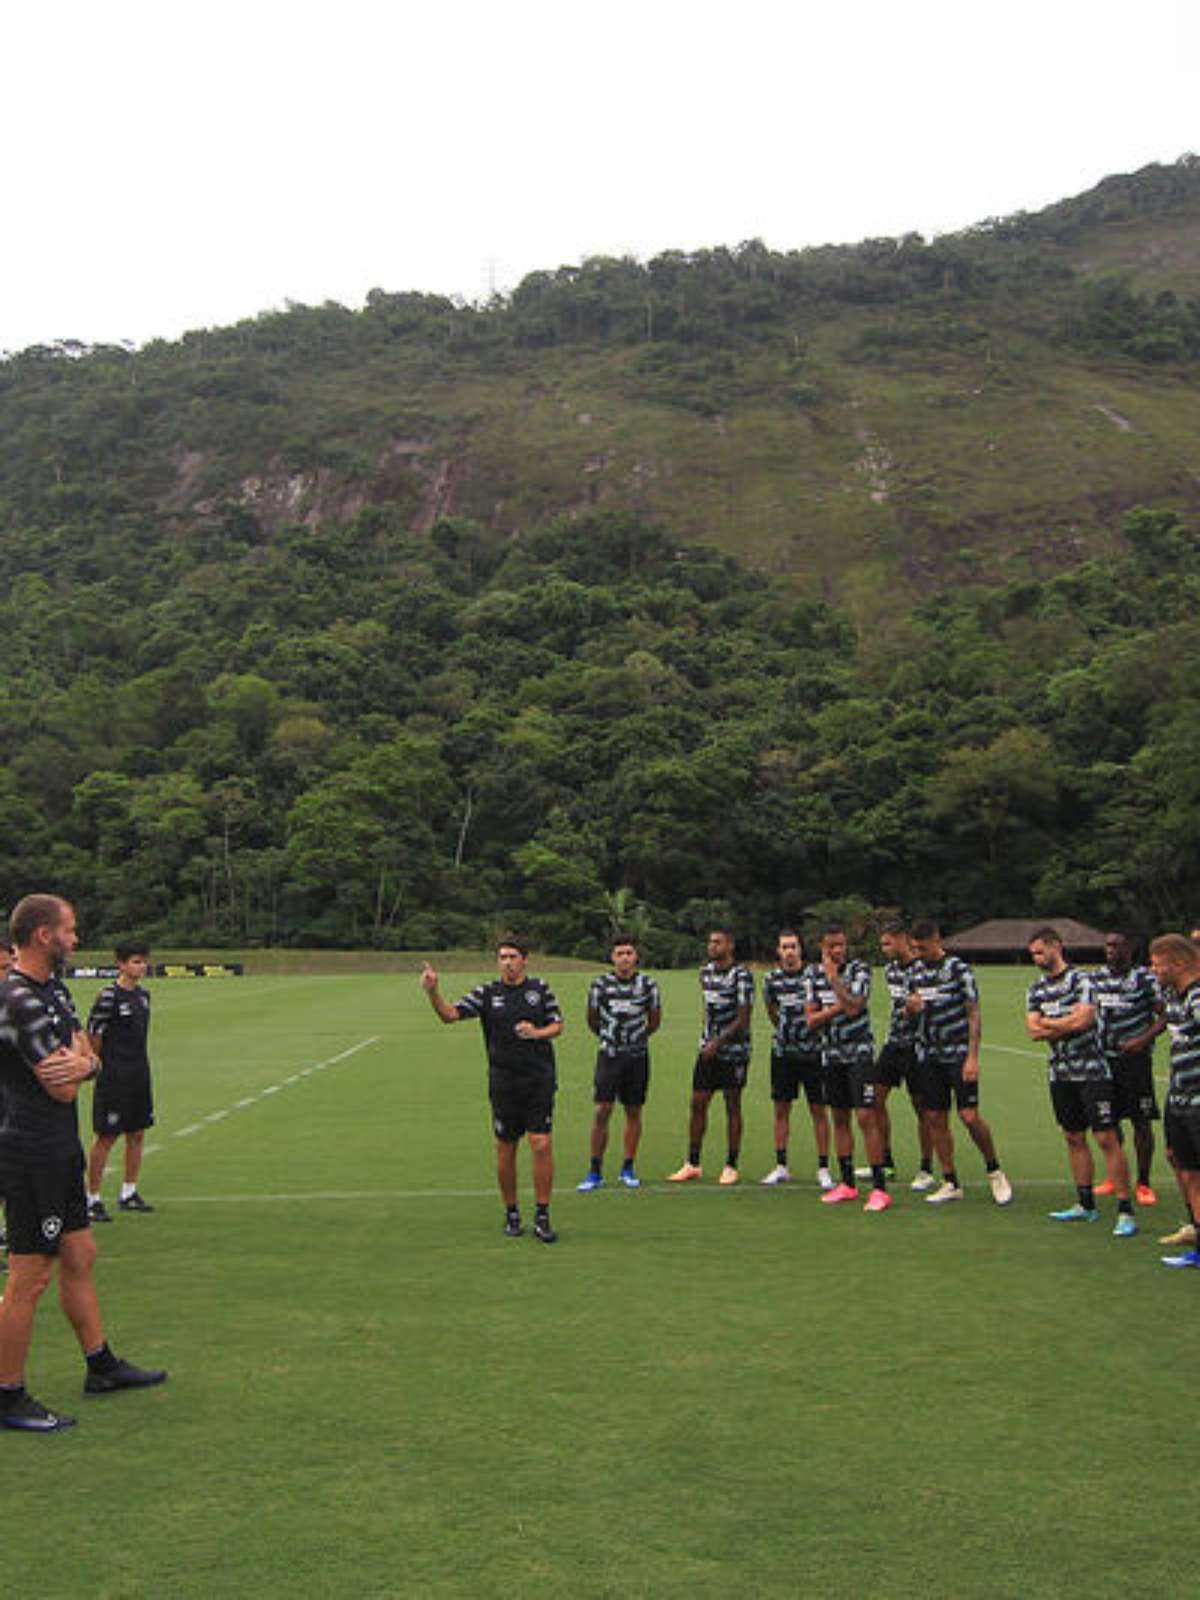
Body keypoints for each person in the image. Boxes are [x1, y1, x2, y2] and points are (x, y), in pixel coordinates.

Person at [0, 894, 167, 1434]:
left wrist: (84, 1064)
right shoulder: (17, 999)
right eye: (70, 930)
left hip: (59, 1147)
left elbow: (79, 1057)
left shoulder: (54, 989)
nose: (76, 938)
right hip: (31, 1152)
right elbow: (64, 1087)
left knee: (80, 1252)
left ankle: (101, 1366)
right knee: (29, 1275)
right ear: (44, 935)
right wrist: (83, 1067)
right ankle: (7, 1393)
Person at [421, 938, 562, 1243]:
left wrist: (536, 1033)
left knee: (541, 1144)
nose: (507, 962)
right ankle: (512, 1212)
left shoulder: (540, 989)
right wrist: (433, 992)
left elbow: (557, 1025)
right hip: (504, 1081)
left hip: (539, 1078)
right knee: (506, 1146)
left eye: (513, 956)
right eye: (502, 957)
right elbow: (450, 1015)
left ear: (525, 960)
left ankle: (542, 1213)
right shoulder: (487, 993)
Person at [1025, 927, 1136, 1236]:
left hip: (1092, 1071)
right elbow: (1033, 1030)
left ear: (1056, 947)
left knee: (1106, 1137)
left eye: (1040, 952)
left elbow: (1085, 1019)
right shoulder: (1035, 989)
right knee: (1074, 1137)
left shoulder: (1083, 981)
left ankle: (1125, 1209)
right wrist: (1063, 1024)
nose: (1036, 958)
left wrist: (1050, 1023)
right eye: (1032, 954)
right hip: (1059, 1073)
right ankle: (1085, 1204)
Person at [908, 919, 1012, 1207]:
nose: (919, 953)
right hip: (928, 1056)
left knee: (969, 1115)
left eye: (923, 947)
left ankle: (994, 1170)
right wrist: (910, 1008)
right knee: (935, 1118)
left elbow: (973, 1013)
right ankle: (951, 1181)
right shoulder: (915, 971)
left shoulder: (959, 970)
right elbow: (909, 1009)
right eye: (915, 948)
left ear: (937, 940)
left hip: (958, 1054)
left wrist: (973, 1057)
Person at [805, 925, 891, 1211]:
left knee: (866, 1116)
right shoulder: (811, 974)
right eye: (831, 946)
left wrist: (833, 982)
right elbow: (811, 1020)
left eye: (841, 945)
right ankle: (847, 1183)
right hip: (830, 1056)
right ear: (822, 946)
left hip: (859, 1053)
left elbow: (855, 1006)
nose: (837, 951)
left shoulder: (859, 970)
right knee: (839, 1118)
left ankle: (880, 1188)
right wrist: (836, 1007)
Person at [667, 927, 753, 1186]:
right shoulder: (705, 973)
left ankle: (731, 1164)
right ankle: (693, 1162)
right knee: (698, 1102)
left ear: (730, 945)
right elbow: (707, 1007)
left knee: (732, 1104)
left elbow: (743, 1017)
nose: (712, 946)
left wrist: (718, 1041)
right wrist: (706, 1036)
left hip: (734, 1051)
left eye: (718, 942)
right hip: (707, 1050)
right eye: (711, 942)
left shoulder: (741, 976)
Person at [577, 935, 661, 1192]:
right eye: (619, 953)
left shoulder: (648, 985)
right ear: (612, 958)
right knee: (602, 1110)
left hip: (637, 1057)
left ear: (636, 957)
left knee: (633, 1111)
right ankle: (594, 1171)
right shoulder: (600, 985)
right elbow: (592, 1019)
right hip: (609, 1056)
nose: (624, 958)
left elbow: (654, 1020)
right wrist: (609, 1038)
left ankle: (628, 1167)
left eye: (629, 953)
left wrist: (637, 1039)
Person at [1088, 931, 1165, 1206]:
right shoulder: (1095, 978)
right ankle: (1116, 1176)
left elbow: (1165, 1014)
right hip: (1103, 1059)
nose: (1110, 950)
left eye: (1116, 945)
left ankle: (1143, 1182)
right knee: (1109, 1121)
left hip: (1135, 1062)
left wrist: (1141, 1040)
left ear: (1129, 948)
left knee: (1140, 1121)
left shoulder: (1144, 979)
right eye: (1107, 945)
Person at [86, 939, 157, 1221]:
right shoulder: (108, 997)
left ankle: (129, 1192)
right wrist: (97, 1065)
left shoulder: (143, 996)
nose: (141, 966)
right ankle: (92, 1198)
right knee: (106, 1136)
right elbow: (93, 1033)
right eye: (135, 961)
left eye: (143, 961)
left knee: (137, 1133)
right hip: (114, 1077)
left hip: (139, 1074)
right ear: (121, 964)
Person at [760, 930, 832, 1189]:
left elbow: (824, 1008)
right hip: (783, 1054)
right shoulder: (771, 980)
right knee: (781, 1108)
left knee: (818, 1110)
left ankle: (823, 1167)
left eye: (793, 946)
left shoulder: (815, 975)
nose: (789, 951)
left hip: (813, 1052)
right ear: (778, 951)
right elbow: (772, 1011)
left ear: (800, 949)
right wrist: (784, 1032)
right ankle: (781, 1166)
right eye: (784, 947)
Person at [1148, 934, 1200, 1267]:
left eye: (1156, 965)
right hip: (1178, 1096)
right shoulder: (1172, 995)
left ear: (1178, 964)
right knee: (1187, 1168)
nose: (1153, 971)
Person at [875, 922, 936, 1191]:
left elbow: (922, 1006)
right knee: (874, 1098)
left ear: (902, 940)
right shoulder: (890, 971)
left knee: (922, 1108)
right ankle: (885, 1161)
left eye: (888, 943)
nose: (884, 949)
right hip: (893, 1043)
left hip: (917, 1046)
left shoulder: (922, 968)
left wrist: (911, 1011)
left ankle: (926, 1168)